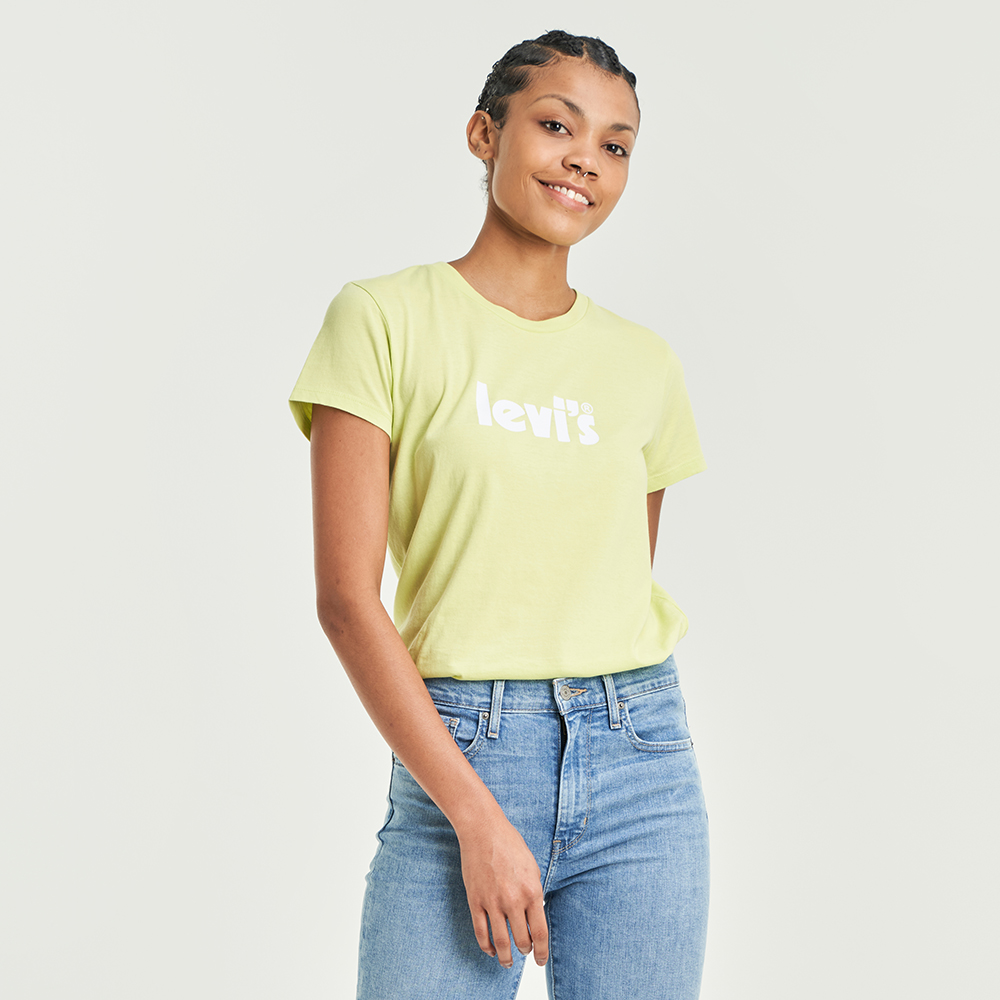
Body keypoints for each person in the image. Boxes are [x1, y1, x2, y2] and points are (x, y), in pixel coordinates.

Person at [289, 29, 710, 1000]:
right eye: (556, 126)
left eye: (614, 145)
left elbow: (615, 582)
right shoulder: (383, 318)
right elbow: (346, 599)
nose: (584, 160)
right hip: (464, 752)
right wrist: (477, 817)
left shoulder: (643, 364)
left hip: (641, 759)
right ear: (485, 134)